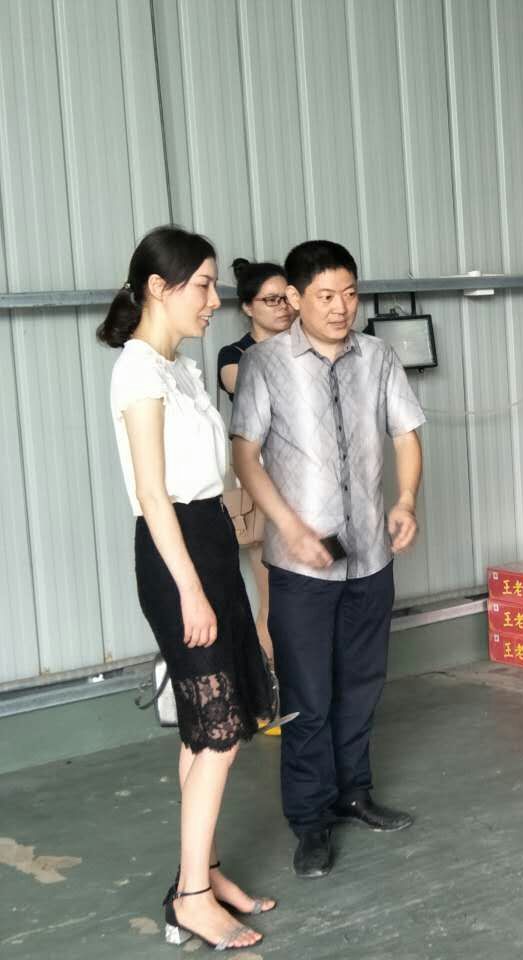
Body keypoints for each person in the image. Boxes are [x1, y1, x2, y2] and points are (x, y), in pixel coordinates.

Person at [100, 225, 276, 950]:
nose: (213, 301)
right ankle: (192, 900)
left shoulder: (181, 368)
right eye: (202, 285)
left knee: (206, 728)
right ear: (158, 287)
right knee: (221, 732)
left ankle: (201, 872)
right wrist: (192, 590)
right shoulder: (138, 371)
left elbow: (204, 483)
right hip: (176, 556)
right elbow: (152, 493)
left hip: (209, 543)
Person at [230, 239, 425, 878]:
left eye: (350, 293)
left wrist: (406, 500)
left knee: (361, 686)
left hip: (370, 556)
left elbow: (406, 433)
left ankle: (354, 794)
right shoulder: (264, 364)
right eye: (325, 296)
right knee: (308, 698)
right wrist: (290, 527)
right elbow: (245, 456)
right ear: (295, 298)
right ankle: (310, 821)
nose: (341, 307)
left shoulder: (378, 356)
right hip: (301, 568)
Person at [217, 258, 294, 680]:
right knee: (274, 597)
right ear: (248, 307)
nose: (283, 308)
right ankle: (276, 692)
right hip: (263, 483)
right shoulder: (234, 356)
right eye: (271, 300)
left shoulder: (307, 344)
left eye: (287, 298)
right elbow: (257, 395)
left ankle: (316, 689)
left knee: (319, 592)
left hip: (312, 485)